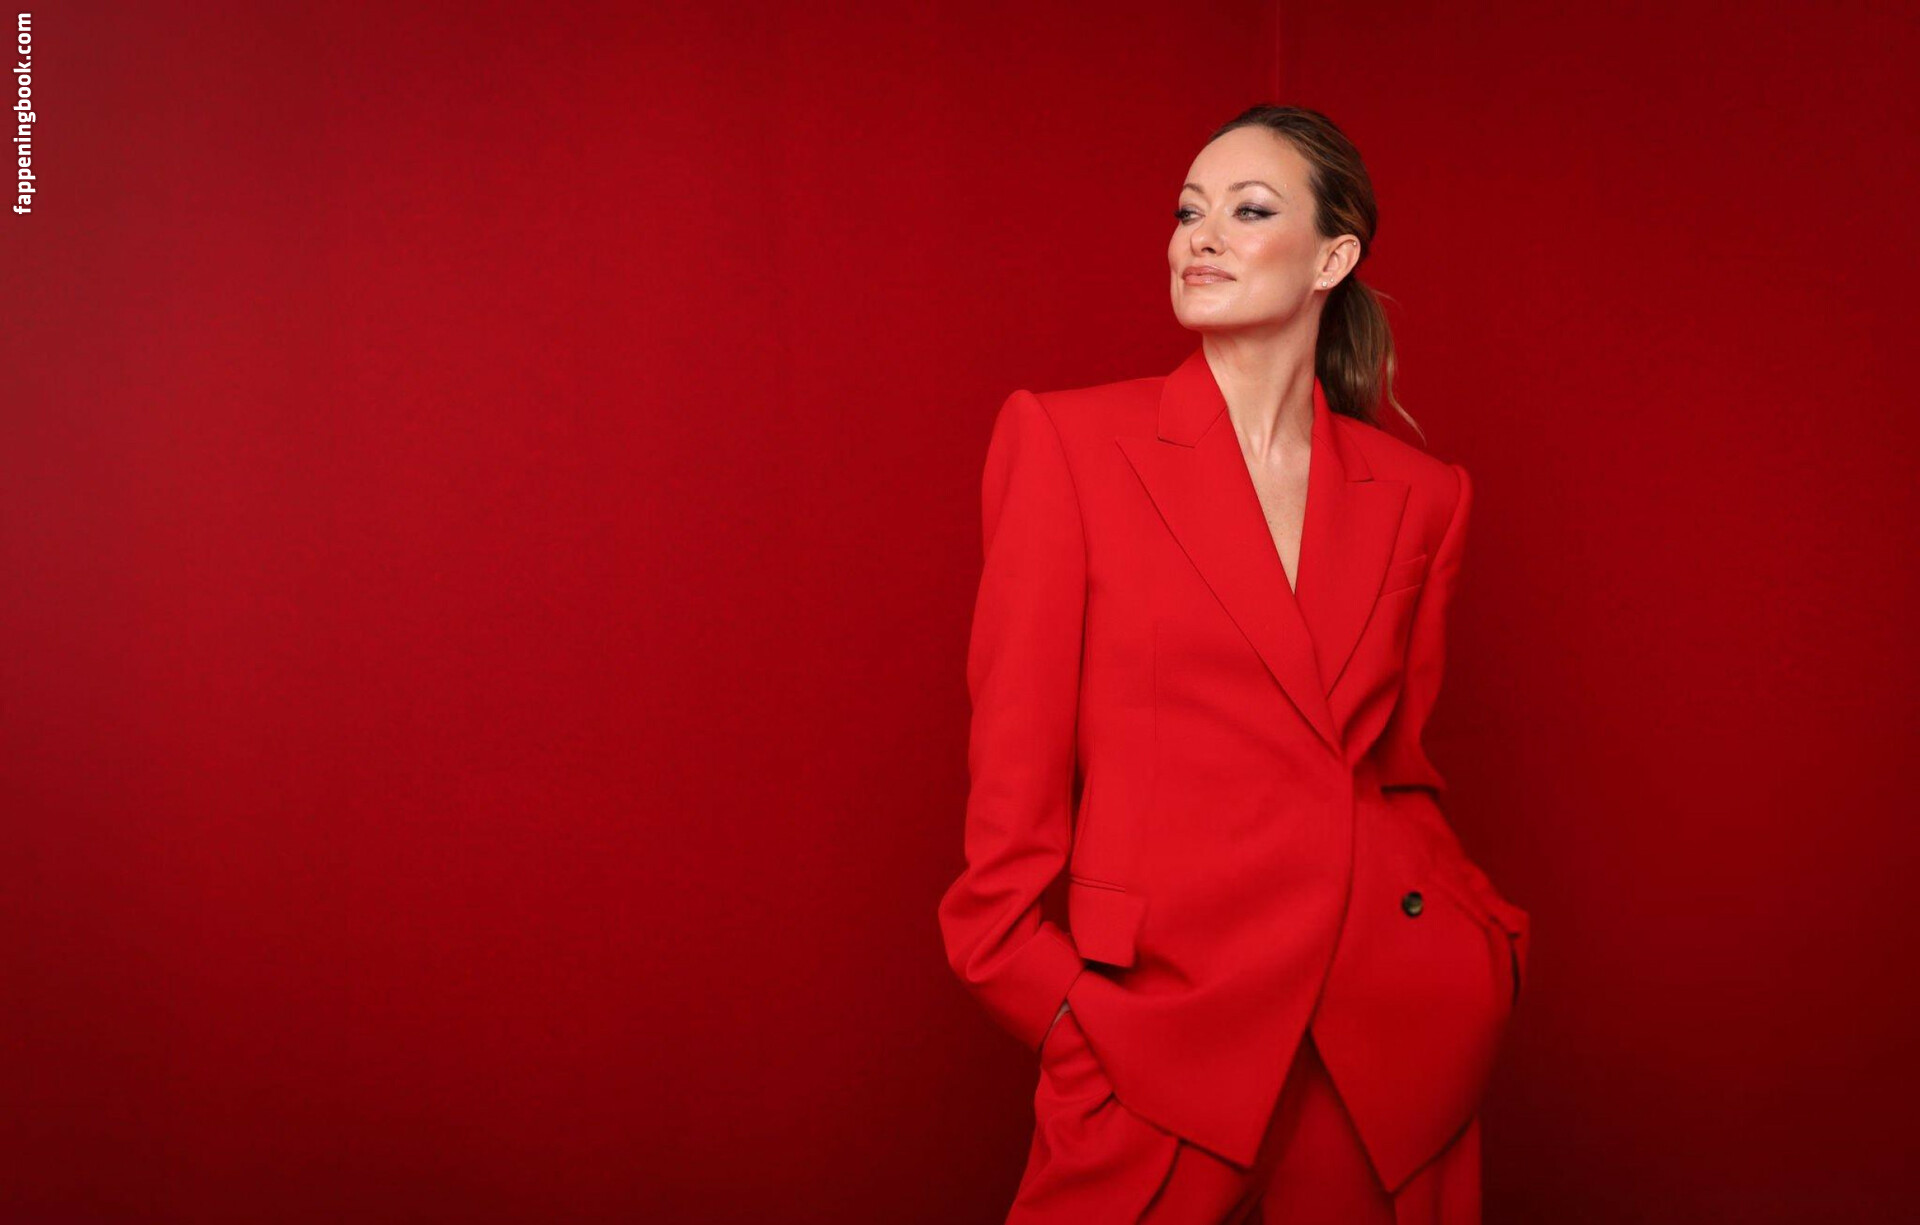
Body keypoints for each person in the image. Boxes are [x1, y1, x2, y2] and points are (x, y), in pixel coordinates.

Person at [936, 104, 1532, 1223]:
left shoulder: (1422, 496)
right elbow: (1011, 783)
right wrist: (1059, 1008)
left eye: (1248, 211)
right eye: (1187, 211)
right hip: (1158, 1026)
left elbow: (1398, 770)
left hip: (1379, 1040)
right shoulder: (1067, 446)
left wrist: (1481, 948)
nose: (1199, 238)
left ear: (1333, 259)